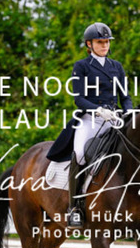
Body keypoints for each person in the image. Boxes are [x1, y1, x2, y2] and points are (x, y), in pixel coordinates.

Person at [46, 22, 133, 228]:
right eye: (100, 42)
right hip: (90, 119)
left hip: (114, 119)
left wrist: (129, 112)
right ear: (89, 44)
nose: (104, 45)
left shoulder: (117, 67)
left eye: (107, 42)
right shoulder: (82, 66)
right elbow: (79, 99)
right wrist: (98, 110)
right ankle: (75, 208)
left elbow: (125, 97)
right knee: (80, 154)